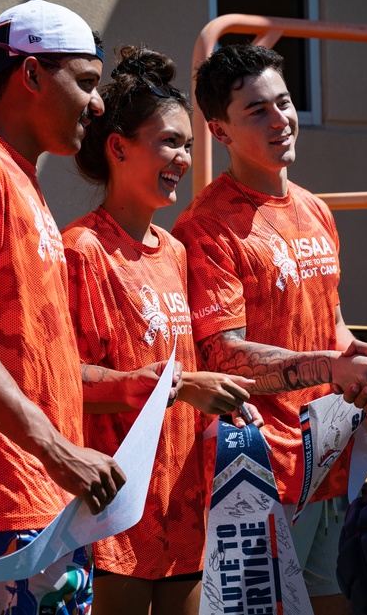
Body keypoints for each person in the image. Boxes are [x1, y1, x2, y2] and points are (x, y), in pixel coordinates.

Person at [0, 0, 146, 614]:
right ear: (32, 75)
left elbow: (27, 353)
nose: (98, 107)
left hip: (40, 498)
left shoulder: (15, 173)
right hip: (2, 497)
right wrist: (58, 449)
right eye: (87, 83)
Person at [172, 43, 367, 615]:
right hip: (259, 477)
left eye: (283, 102)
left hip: (329, 460)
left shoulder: (315, 208)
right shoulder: (206, 226)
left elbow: (329, 320)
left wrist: (357, 353)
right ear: (219, 131)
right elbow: (225, 357)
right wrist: (333, 363)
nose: (281, 120)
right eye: (257, 111)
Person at [64, 45, 263, 615]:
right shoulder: (82, 250)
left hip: (182, 508)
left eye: (188, 145)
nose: (181, 158)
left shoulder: (174, 250)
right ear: (118, 146)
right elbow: (64, 382)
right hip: (111, 514)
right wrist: (181, 386)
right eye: (169, 141)